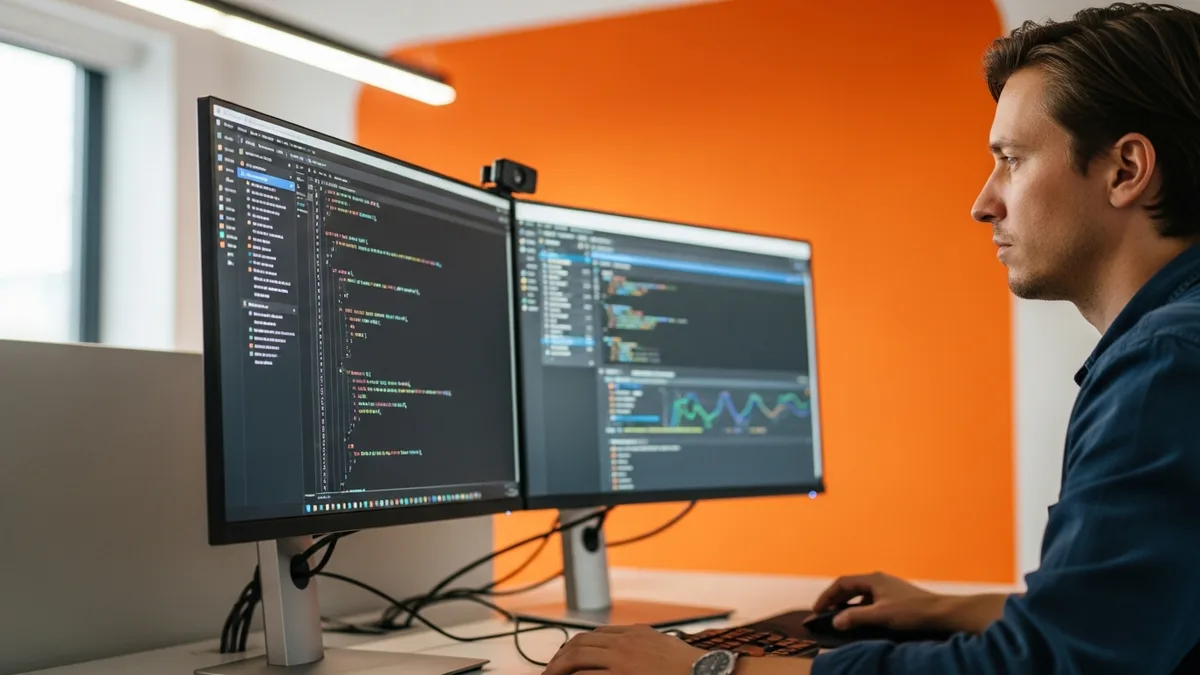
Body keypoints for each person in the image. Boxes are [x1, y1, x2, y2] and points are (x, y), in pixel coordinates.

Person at [540, 3, 1200, 674]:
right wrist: (948, 609)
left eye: (1012, 160)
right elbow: (1129, 617)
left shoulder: (1165, 364)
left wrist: (707, 668)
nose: (984, 202)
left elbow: (1049, 666)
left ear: (1125, 169)